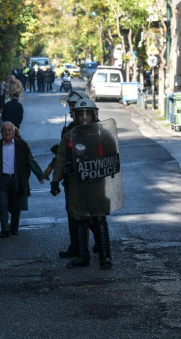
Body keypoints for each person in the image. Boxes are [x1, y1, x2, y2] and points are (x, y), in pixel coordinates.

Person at [50, 98, 120, 270]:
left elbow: (113, 156)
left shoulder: (102, 134)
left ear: (93, 114)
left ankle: (105, 257)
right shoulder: (69, 135)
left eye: (87, 113)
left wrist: (109, 168)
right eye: (80, 114)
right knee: (78, 217)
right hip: (76, 182)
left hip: (96, 181)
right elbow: (61, 158)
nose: (83, 117)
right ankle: (82, 256)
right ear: (75, 116)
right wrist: (55, 181)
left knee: (98, 217)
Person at [43, 91, 93, 260]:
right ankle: (77, 247)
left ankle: (94, 246)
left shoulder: (95, 127)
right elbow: (62, 156)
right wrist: (55, 180)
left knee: (92, 215)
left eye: (74, 105)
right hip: (72, 178)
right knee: (73, 213)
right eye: (70, 105)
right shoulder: (69, 129)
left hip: (91, 179)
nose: (72, 109)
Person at [0, 121, 45, 238]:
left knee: (15, 206)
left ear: (14, 131)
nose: (7, 132)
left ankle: (14, 227)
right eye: (5, 130)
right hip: (2, 180)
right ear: (1, 132)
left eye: (9, 130)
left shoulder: (22, 145)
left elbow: (30, 162)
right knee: (2, 206)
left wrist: (40, 175)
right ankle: (5, 229)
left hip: (16, 180)